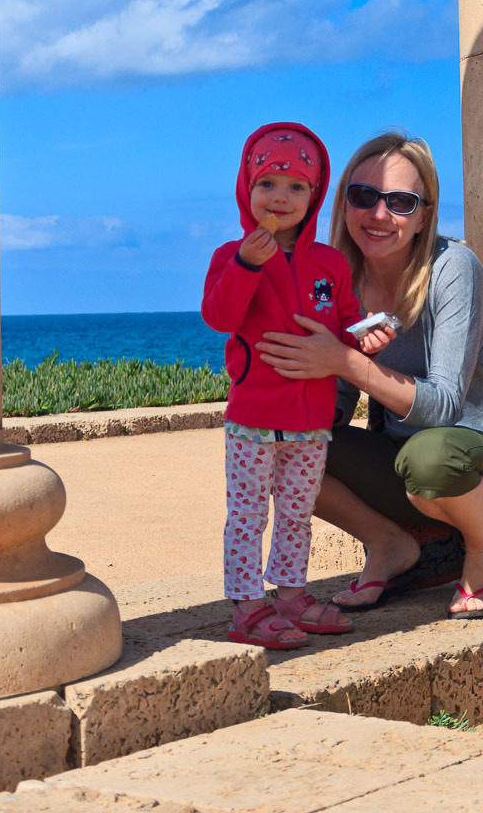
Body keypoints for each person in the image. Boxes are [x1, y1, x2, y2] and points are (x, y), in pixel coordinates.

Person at [256, 132, 483, 619]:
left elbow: (445, 405)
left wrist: (345, 360)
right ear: (343, 202)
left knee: (429, 457)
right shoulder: (337, 279)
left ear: (424, 215)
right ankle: (388, 544)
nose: (378, 214)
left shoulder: (454, 268)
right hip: (406, 470)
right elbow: (340, 402)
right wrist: (286, 384)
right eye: (363, 196)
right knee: (282, 444)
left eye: (401, 202)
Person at [201, 122, 391, 649]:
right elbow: (219, 316)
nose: (280, 197)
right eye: (267, 184)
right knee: (247, 514)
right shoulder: (229, 256)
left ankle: (290, 594)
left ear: (314, 196)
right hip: (253, 419)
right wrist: (246, 265)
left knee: (297, 512)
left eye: (296, 187)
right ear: (247, 189)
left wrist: (365, 338)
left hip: (312, 420)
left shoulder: (328, 263)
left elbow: (346, 320)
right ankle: (246, 605)